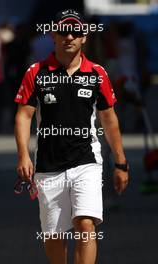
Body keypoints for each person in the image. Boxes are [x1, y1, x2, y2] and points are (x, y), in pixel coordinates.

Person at [14, 9, 129, 264]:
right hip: (48, 164)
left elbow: (109, 120)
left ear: (84, 36)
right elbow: (24, 116)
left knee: (85, 224)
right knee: (54, 236)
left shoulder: (97, 73)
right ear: (53, 34)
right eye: (63, 31)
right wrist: (23, 155)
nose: (69, 36)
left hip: (86, 161)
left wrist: (121, 163)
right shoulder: (37, 72)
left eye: (75, 31)